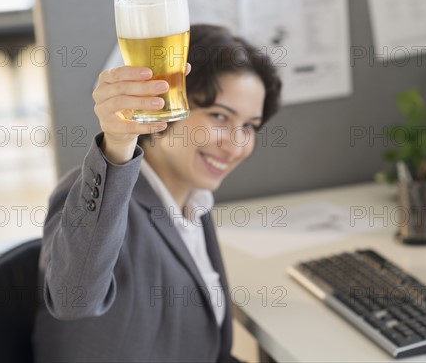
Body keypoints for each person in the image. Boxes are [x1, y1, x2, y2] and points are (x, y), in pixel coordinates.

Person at [32, 24, 282, 362]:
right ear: (165, 105)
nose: (235, 145)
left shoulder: (193, 202)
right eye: (219, 116)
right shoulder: (105, 197)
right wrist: (117, 144)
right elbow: (72, 299)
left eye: (249, 126)